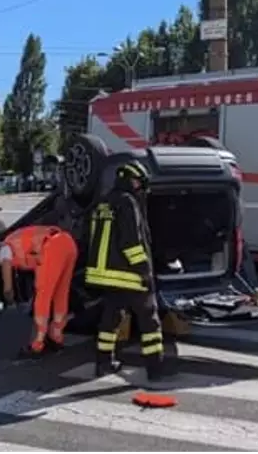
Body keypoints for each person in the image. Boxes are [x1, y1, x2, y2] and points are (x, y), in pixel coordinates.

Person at [85, 159, 169, 381]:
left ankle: (104, 362)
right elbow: (131, 242)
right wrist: (144, 271)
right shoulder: (127, 202)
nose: (141, 188)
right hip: (129, 274)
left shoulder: (102, 203)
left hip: (106, 275)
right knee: (149, 320)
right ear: (131, 181)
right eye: (139, 183)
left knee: (110, 318)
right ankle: (156, 368)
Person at [0, 223, 78, 355]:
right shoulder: (15, 238)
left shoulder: (4, 249)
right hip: (68, 243)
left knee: (43, 297)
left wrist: (10, 300)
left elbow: (7, 287)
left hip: (51, 248)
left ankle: (36, 345)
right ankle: (56, 337)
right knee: (61, 294)